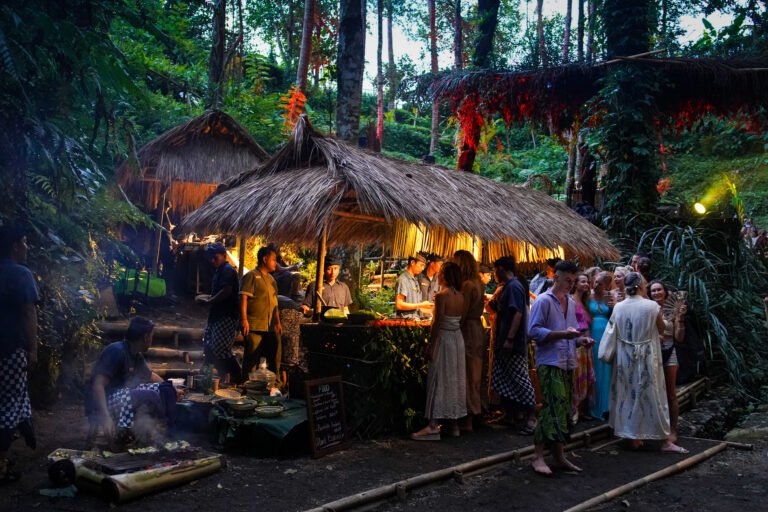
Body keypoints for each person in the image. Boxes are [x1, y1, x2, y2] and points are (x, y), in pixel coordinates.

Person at [599, 273, 687, 453]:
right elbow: (662, 330)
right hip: (647, 355)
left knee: (628, 394)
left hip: (625, 357)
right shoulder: (651, 306)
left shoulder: (619, 307)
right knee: (653, 394)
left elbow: (613, 330)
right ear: (640, 286)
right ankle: (665, 440)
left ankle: (634, 438)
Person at [528, 260, 594, 475]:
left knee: (564, 410)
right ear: (556, 277)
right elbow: (534, 332)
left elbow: (569, 335)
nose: (570, 285)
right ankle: (537, 456)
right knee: (550, 408)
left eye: (573, 281)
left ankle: (558, 456)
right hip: (549, 362)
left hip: (567, 361)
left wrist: (579, 341)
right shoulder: (543, 302)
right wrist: (563, 335)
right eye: (568, 280)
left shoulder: (571, 303)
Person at [90, 317, 178, 447]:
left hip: (124, 396)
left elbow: (150, 376)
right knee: (148, 395)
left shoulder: (135, 354)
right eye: (152, 336)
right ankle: (123, 436)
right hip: (104, 400)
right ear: (145, 337)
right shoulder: (117, 351)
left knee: (166, 389)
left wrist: (172, 389)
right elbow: (98, 385)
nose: (152, 340)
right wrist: (105, 416)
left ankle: (172, 434)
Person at [410, 262, 467, 440]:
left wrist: (431, 346)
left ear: (445, 276)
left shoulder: (442, 296)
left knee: (438, 379)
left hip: (444, 339)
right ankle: (454, 424)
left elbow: (437, 323)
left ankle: (433, 425)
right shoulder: (461, 297)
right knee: (455, 379)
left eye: (441, 273)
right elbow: (460, 320)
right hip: (457, 339)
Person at [0, 226, 39, 483]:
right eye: (24, 242)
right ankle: (0, 464)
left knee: (13, 398)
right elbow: (28, 313)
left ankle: (27, 423)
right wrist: (33, 349)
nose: (27, 247)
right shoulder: (21, 274)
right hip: (10, 349)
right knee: (7, 409)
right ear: (15, 245)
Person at [489, 256, 537, 435]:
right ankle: (510, 415)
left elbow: (517, 313)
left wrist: (509, 339)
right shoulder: (510, 286)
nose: (494, 274)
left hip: (514, 344)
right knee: (506, 377)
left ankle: (532, 417)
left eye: (495, 270)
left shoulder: (514, 287)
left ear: (501, 269)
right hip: (506, 341)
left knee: (520, 379)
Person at [649, 280, 687, 443]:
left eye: (659, 290)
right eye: (653, 291)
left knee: (671, 393)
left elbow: (679, 338)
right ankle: (655, 428)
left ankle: (673, 429)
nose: (656, 293)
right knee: (653, 392)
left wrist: (680, 319)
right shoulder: (648, 308)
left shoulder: (674, 309)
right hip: (652, 352)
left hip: (670, 351)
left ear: (665, 292)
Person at [199, 243, 241, 384]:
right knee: (209, 345)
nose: (212, 261)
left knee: (220, 348)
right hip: (216, 315)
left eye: (215, 258)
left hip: (227, 315)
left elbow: (226, 291)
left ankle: (237, 376)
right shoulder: (219, 270)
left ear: (224, 256)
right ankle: (218, 377)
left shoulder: (228, 270)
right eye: (211, 258)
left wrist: (210, 301)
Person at [453, 250, 485, 431]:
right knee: (477, 373)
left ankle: (468, 418)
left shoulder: (466, 285)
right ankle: (478, 412)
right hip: (478, 328)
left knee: (468, 372)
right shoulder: (478, 282)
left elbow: (462, 313)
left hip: (468, 330)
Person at [240, 246, 282, 377]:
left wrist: (278, 323)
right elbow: (243, 299)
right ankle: (247, 386)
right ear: (265, 259)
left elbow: (275, 304)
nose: (276, 263)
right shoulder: (251, 276)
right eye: (274, 260)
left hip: (270, 326)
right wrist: (244, 320)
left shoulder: (272, 280)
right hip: (254, 326)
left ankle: (272, 387)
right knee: (251, 359)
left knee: (273, 357)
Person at [571, 273, 595, 423]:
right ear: (576, 283)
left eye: (587, 282)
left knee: (586, 375)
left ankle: (581, 409)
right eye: (583, 281)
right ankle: (574, 411)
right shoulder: (571, 300)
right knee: (577, 376)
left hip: (587, 343)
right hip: (578, 342)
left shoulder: (585, 301)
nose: (586, 284)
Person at [590, 271, 614, 420]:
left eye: (600, 283)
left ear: (606, 285)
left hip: (606, 333)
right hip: (592, 333)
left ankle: (606, 406)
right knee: (594, 368)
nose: (596, 285)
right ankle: (593, 407)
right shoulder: (588, 296)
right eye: (596, 281)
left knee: (606, 369)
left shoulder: (609, 297)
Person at [274, 258, 305, 371]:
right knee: (283, 352)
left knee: (286, 352)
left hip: (289, 315)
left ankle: (285, 378)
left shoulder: (280, 277)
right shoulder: (278, 277)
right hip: (283, 316)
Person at [395, 255, 433, 319]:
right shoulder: (403, 279)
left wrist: (431, 310)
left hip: (415, 320)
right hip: (405, 322)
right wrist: (421, 305)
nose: (423, 268)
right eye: (421, 265)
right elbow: (399, 305)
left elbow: (416, 307)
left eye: (424, 266)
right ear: (412, 263)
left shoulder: (415, 280)